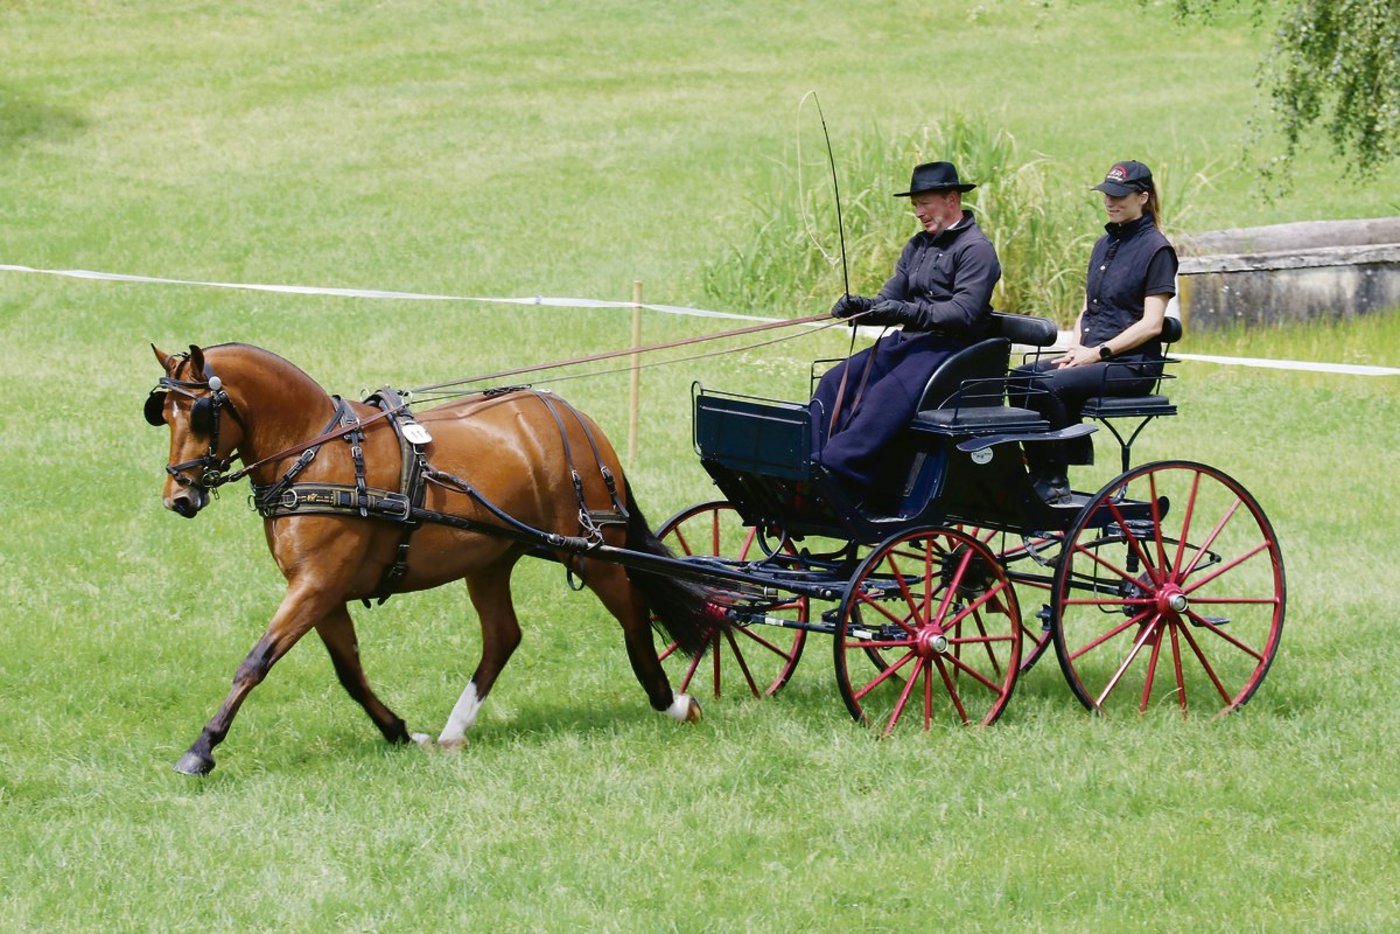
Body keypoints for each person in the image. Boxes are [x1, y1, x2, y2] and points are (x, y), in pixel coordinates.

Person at [813, 160, 1002, 499]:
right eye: (915, 205)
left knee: (885, 395)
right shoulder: (917, 246)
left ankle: (844, 470)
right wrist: (859, 309)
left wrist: (906, 312)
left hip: (953, 351)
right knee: (835, 380)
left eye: (925, 203)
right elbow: (891, 298)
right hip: (912, 343)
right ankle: (808, 460)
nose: (918, 212)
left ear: (952, 199)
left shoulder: (976, 249)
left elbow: (964, 312)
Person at [1011, 159, 1179, 504]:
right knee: (1019, 377)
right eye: (1106, 195)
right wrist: (1074, 348)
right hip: (1093, 357)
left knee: (1047, 384)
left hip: (1131, 366)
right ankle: (1039, 468)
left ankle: (1055, 478)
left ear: (1142, 197)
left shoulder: (1156, 250)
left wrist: (1096, 353)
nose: (1110, 202)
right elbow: (1089, 306)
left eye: (1119, 196)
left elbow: (1152, 324)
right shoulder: (1104, 245)